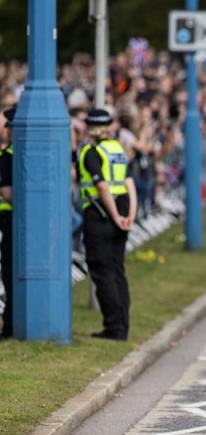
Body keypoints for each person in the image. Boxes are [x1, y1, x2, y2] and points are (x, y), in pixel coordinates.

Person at [78, 108, 137, 341]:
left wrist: (114, 216)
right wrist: (129, 215)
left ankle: (114, 327)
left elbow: (102, 187)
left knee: (103, 272)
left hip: (100, 214)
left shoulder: (92, 152)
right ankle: (123, 323)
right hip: (121, 209)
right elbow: (129, 183)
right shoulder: (118, 150)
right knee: (117, 270)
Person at [0, 107, 14, 338]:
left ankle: (10, 324)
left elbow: (8, 193)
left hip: (10, 220)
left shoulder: (8, 156)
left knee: (10, 272)